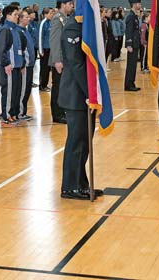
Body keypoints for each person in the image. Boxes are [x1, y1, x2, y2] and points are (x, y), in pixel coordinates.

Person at [58, 15, 103, 200]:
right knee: (76, 142)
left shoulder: (84, 28)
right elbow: (76, 64)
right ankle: (70, 187)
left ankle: (81, 183)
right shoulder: (72, 29)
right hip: (76, 94)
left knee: (85, 142)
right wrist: (89, 92)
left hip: (84, 95)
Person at [0, 5, 25, 124]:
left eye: (18, 15)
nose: (17, 17)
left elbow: (20, 48)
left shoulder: (16, 30)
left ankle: (14, 112)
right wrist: (6, 63)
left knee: (16, 91)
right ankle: (7, 114)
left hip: (17, 66)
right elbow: (1, 48)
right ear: (8, 16)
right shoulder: (5, 29)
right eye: (15, 15)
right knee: (8, 91)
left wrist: (22, 63)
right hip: (9, 66)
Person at [49, 0, 74, 124]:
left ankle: (62, 111)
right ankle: (57, 114)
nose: (72, 6)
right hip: (59, 60)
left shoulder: (65, 18)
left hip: (66, 59)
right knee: (58, 87)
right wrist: (57, 60)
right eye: (70, 3)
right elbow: (55, 41)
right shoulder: (57, 19)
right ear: (63, 5)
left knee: (63, 87)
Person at [19, 9, 35, 121]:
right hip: (25, 65)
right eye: (25, 17)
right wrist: (23, 63)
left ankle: (23, 111)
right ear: (20, 18)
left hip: (30, 64)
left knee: (27, 89)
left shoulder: (25, 30)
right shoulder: (19, 31)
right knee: (23, 89)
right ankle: (20, 112)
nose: (28, 19)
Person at [124, 0, 142, 91]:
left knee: (133, 65)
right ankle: (128, 85)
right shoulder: (131, 17)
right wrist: (129, 44)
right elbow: (129, 31)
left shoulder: (134, 16)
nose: (140, 5)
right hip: (132, 45)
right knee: (131, 65)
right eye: (139, 4)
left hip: (135, 44)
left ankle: (131, 83)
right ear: (134, 5)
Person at [38, 7, 53, 91]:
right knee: (44, 68)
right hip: (44, 50)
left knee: (47, 69)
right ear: (45, 14)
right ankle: (42, 85)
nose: (52, 15)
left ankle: (45, 84)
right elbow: (40, 37)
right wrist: (40, 50)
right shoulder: (43, 23)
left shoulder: (50, 23)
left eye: (52, 13)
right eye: (50, 13)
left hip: (50, 49)